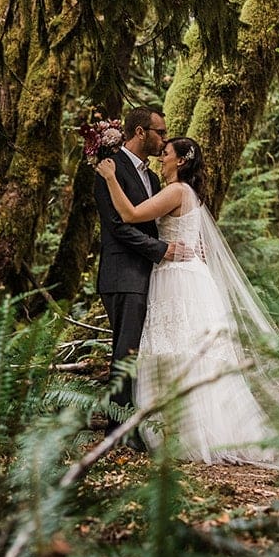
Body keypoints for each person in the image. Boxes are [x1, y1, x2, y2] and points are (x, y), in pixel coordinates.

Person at [95, 136, 279, 465]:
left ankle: (185, 435)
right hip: (186, 274)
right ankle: (188, 431)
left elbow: (130, 215)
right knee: (188, 353)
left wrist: (110, 177)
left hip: (177, 278)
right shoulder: (188, 193)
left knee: (177, 351)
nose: (161, 157)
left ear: (182, 161)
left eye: (167, 154)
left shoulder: (176, 191)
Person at [90, 107, 191, 450]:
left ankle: (132, 427)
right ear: (139, 132)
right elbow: (118, 227)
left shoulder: (150, 177)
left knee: (134, 352)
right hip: (123, 274)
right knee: (125, 352)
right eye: (160, 132)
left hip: (146, 275)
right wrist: (162, 249)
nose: (164, 139)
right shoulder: (109, 169)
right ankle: (117, 434)